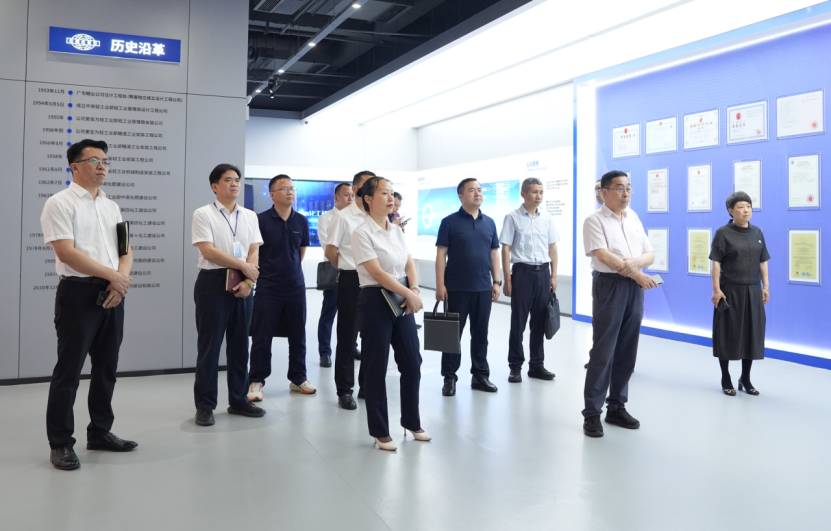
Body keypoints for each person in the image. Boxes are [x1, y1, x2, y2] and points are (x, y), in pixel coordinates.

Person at [41, 138, 137, 471]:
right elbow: (67, 253)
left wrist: (120, 281)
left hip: (113, 292)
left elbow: (125, 250)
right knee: (68, 371)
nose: (102, 166)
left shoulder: (111, 206)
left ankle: (100, 432)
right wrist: (114, 277)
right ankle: (60, 443)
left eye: (105, 161)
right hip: (78, 294)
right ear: (75, 167)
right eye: (95, 160)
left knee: (107, 367)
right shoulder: (59, 203)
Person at [352, 177, 429, 451]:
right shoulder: (361, 232)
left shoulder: (396, 230)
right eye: (384, 193)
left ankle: (411, 421)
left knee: (412, 361)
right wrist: (410, 294)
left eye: (392, 193)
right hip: (375, 299)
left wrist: (414, 289)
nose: (390, 198)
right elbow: (377, 273)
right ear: (368, 199)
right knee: (376, 366)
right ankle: (380, 430)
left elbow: (408, 264)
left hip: (402, 298)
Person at [582, 170, 658, 438]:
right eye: (619, 188)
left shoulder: (633, 217)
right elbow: (604, 256)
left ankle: (616, 407)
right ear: (604, 192)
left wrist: (634, 264)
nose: (625, 193)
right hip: (610, 285)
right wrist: (636, 272)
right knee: (603, 350)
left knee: (627, 348)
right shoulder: (594, 220)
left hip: (634, 288)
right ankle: (592, 413)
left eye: (628, 188)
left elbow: (649, 254)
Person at [192, 163, 266, 426]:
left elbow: (254, 250)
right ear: (215, 186)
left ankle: (238, 399)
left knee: (240, 345)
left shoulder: (249, 216)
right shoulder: (203, 213)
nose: (235, 184)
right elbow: (208, 251)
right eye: (228, 180)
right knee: (210, 347)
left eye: (237, 179)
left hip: (243, 283)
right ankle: (205, 405)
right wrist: (243, 266)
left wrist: (248, 279)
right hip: (213, 283)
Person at [248, 175, 314, 402]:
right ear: (272, 194)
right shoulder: (260, 220)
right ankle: (256, 380)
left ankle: (298, 378)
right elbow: (254, 253)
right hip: (268, 288)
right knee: (262, 337)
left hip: (296, 288)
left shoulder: (301, 221)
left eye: (292, 188)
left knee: (298, 336)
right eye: (284, 189)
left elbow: (300, 253)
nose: (290, 192)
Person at [435, 178, 502, 396]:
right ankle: (449, 377)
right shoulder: (449, 222)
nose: (477, 193)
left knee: (481, 334)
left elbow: (494, 253)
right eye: (471, 190)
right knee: (451, 336)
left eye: (480, 190)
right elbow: (441, 255)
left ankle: (480, 376)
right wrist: (440, 285)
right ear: (461, 196)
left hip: (483, 288)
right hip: (456, 288)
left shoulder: (489, 222)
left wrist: (496, 281)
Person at [710, 191, 770, 396]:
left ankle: (745, 377)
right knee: (727, 332)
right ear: (731, 211)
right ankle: (725, 377)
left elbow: (763, 261)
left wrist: (765, 286)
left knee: (751, 333)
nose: (746, 210)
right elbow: (716, 263)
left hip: (752, 289)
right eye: (741, 207)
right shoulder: (723, 233)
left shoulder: (757, 233)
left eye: (749, 206)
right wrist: (716, 290)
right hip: (730, 290)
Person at [500, 177, 560, 383]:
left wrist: (553, 275)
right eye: (535, 192)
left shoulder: (547, 218)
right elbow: (505, 249)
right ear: (523, 194)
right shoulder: (512, 218)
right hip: (522, 273)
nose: (539, 196)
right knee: (518, 323)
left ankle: (536, 365)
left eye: (541, 192)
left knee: (539, 323)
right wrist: (507, 278)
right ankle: (515, 367)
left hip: (543, 272)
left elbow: (553, 247)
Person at [325, 170, 376, 409]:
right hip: (351, 280)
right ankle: (345, 390)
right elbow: (331, 251)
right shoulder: (343, 217)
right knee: (348, 336)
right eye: (368, 185)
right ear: (355, 190)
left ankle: (367, 385)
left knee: (373, 336)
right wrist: (349, 268)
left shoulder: (377, 216)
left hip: (376, 281)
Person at [317, 183, 355, 368]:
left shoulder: (357, 218)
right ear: (336, 197)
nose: (350, 198)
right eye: (346, 195)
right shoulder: (326, 218)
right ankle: (325, 352)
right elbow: (328, 246)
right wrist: (347, 258)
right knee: (329, 313)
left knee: (352, 315)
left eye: (352, 195)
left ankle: (353, 346)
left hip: (354, 274)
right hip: (335, 271)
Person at [586, 178, 604, 369]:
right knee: (599, 319)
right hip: (601, 276)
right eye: (596, 190)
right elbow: (602, 255)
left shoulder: (629, 218)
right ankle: (597, 357)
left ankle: (618, 360)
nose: (598, 194)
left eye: (600, 189)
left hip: (626, 278)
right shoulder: (594, 220)